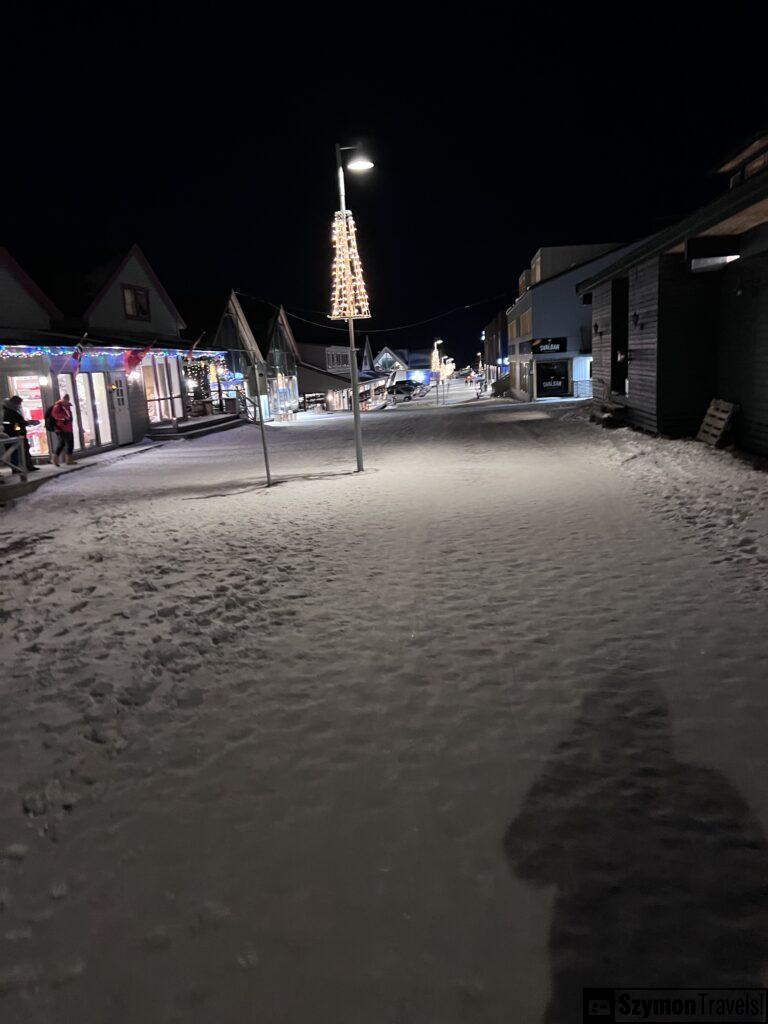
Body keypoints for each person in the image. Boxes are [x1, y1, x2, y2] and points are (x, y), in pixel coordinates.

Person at [1, 395, 40, 472]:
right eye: (18, 404)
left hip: (16, 434)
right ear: (14, 403)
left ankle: (26, 466)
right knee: (14, 452)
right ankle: (17, 469)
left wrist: (25, 423)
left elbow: (16, 423)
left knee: (23, 450)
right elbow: (14, 423)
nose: (19, 405)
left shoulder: (11, 410)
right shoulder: (9, 412)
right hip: (14, 435)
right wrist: (26, 423)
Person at [51, 394, 75, 466]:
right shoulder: (58, 406)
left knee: (66, 443)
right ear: (63, 399)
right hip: (61, 428)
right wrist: (64, 417)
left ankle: (67, 459)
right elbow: (54, 415)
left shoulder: (66, 407)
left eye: (68, 400)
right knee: (65, 443)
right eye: (66, 399)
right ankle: (57, 459)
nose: (67, 401)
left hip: (67, 427)